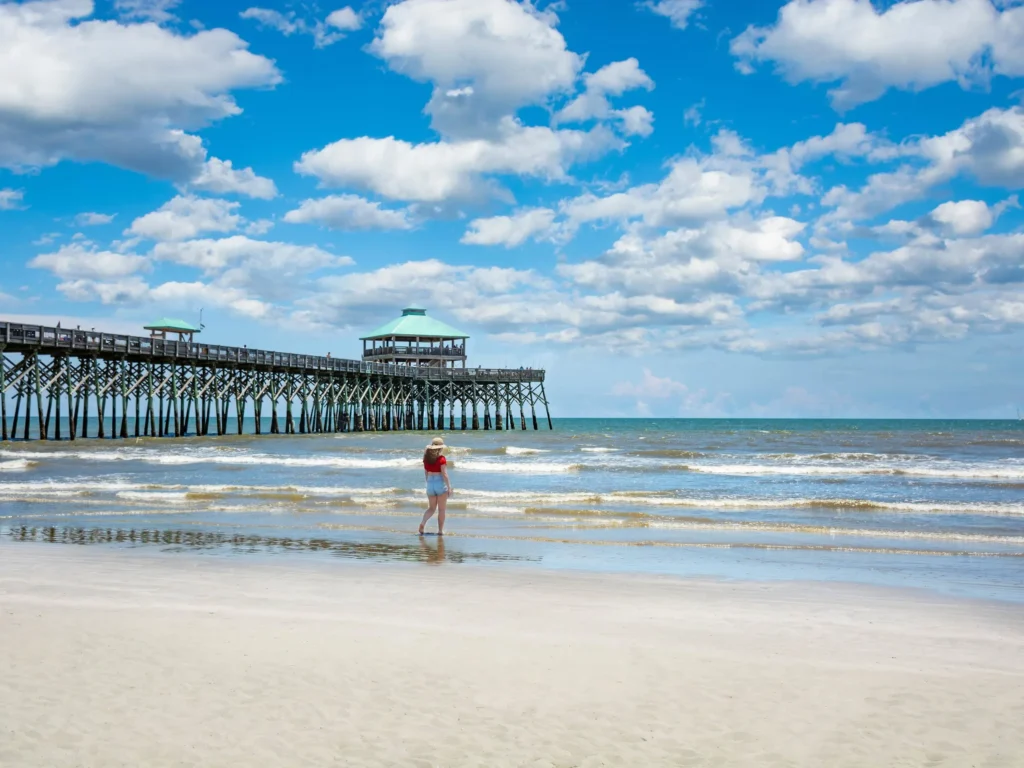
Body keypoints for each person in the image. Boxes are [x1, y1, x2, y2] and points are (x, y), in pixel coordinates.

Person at [418, 437, 452, 535]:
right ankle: (440, 531)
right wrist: (449, 487)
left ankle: (423, 523)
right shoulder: (441, 459)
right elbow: (444, 474)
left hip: (430, 482)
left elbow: (426, 473)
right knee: (441, 509)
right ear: (441, 448)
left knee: (431, 508)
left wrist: (428, 483)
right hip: (439, 483)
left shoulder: (425, 458)